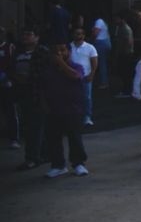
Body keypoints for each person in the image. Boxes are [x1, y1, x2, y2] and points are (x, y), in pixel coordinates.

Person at [44, 42, 89, 178]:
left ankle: (78, 163)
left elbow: (75, 76)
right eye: (57, 52)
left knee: (74, 137)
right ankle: (58, 165)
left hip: (73, 109)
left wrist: (61, 63)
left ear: (69, 51)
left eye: (63, 50)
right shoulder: (49, 70)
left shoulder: (77, 66)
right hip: (54, 109)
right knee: (54, 138)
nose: (60, 54)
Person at [11, 27, 48, 170]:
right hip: (22, 94)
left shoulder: (41, 52)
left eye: (29, 34)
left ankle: (34, 157)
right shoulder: (18, 53)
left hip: (37, 94)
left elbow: (43, 73)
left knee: (36, 127)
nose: (26, 37)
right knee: (30, 126)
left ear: (37, 37)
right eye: (24, 34)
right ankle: (40, 154)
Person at [70, 27, 98, 126]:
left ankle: (87, 116)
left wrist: (92, 74)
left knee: (87, 97)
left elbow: (94, 62)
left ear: (83, 35)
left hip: (86, 76)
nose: (78, 36)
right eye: (76, 33)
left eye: (80, 34)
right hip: (72, 76)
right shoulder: (69, 47)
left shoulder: (90, 47)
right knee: (72, 97)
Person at [0, 27, 20, 149]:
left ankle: (14, 139)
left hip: (7, 84)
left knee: (11, 112)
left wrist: (8, 77)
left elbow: (14, 64)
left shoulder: (10, 47)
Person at [113, 14, 135, 98]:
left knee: (126, 73)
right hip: (123, 53)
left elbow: (128, 42)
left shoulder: (126, 29)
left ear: (122, 19)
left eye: (117, 19)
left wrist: (123, 51)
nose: (116, 21)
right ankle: (126, 89)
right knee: (123, 73)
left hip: (126, 54)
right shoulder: (120, 28)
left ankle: (127, 91)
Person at [91, 16, 111, 89]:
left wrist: (91, 40)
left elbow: (95, 33)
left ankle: (104, 82)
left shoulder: (99, 21)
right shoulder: (103, 22)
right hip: (104, 42)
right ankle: (103, 81)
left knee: (101, 63)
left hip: (100, 43)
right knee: (102, 63)